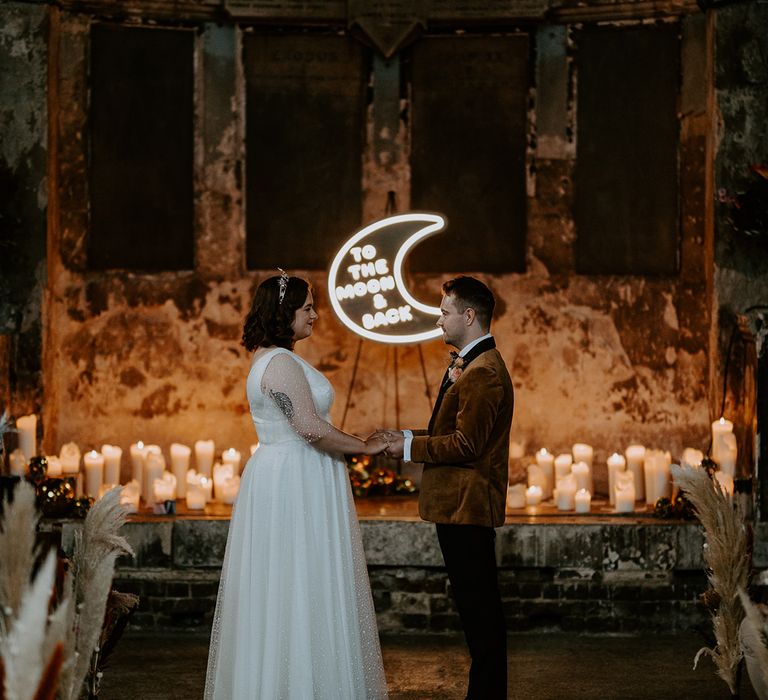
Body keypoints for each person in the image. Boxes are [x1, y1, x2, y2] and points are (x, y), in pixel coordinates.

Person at [204, 271, 389, 699]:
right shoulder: (281, 363)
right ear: (284, 312)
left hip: (291, 472)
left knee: (291, 581)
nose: (315, 315)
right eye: (307, 308)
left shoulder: (273, 358)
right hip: (295, 478)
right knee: (300, 580)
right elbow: (309, 427)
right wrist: (366, 447)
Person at [380, 275, 513, 700]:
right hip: (456, 508)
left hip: (467, 508)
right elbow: (448, 430)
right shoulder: (470, 365)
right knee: (476, 613)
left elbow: (466, 444)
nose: (438, 321)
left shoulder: (484, 373)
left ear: (468, 316)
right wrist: (402, 436)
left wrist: (406, 447)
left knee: (481, 616)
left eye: (444, 312)